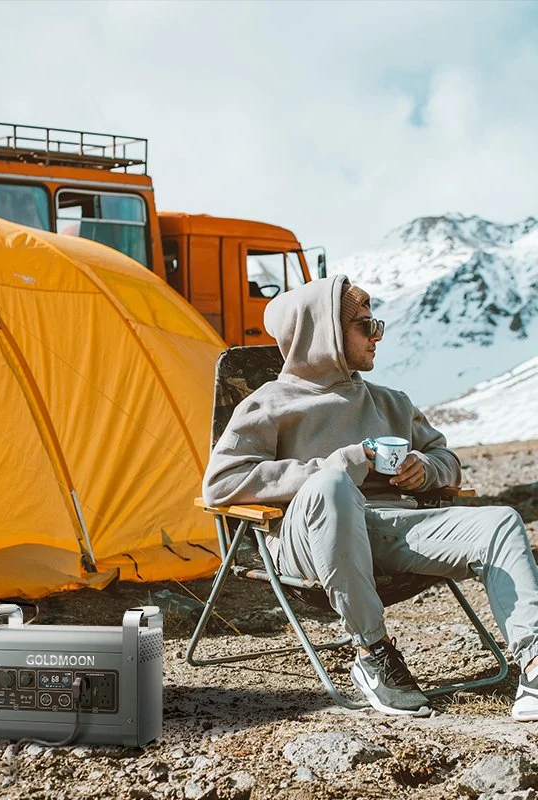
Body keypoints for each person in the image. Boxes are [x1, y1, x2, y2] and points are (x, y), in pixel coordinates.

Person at [202, 274, 538, 720]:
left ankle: (534, 663)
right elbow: (221, 483)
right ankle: (372, 653)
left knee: (500, 522)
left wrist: (426, 471)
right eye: (365, 325)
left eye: (376, 323)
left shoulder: (390, 401)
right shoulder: (268, 404)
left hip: (394, 532)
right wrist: (340, 463)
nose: (378, 334)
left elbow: (447, 459)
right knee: (333, 485)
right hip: (310, 542)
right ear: (326, 332)